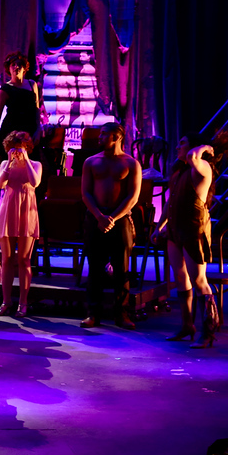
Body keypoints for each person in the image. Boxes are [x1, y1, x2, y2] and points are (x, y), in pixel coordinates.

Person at [157, 134, 224, 347]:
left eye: (182, 142)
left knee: (198, 281)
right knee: (180, 277)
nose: (177, 145)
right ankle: (187, 325)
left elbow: (194, 157)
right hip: (176, 229)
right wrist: (160, 226)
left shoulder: (202, 166)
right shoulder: (180, 171)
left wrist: (203, 146)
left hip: (194, 229)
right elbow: (170, 201)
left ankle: (209, 332)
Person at [79, 122, 142, 329]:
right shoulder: (91, 161)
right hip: (95, 218)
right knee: (95, 267)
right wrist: (99, 216)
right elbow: (86, 193)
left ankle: (121, 314)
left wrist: (113, 218)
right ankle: (93, 313)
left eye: (104, 134)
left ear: (117, 137)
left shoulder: (131, 163)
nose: (99, 138)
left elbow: (133, 197)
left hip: (120, 219)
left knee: (122, 268)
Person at [0, 131, 43, 317]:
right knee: (6, 260)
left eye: (21, 146)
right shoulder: (5, 164)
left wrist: (26, 160)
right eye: (14, 146)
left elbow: (35, 182)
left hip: (27, 211)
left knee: (24, 260)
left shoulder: (36, 164)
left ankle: (23, 303)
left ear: (27, 147)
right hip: (8, 209)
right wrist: (9, 164)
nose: (17, 150)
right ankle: (6, 302)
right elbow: (0, 184)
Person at [0, 51, 41, 150]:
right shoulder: (5, 89)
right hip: (11, 132)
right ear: (9, 68)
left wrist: (38, 130)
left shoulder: (32, 85)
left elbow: (37, 109)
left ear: (24, 68)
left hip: (29, 131)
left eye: (19, 65)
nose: (16, 67)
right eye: (13, 65)